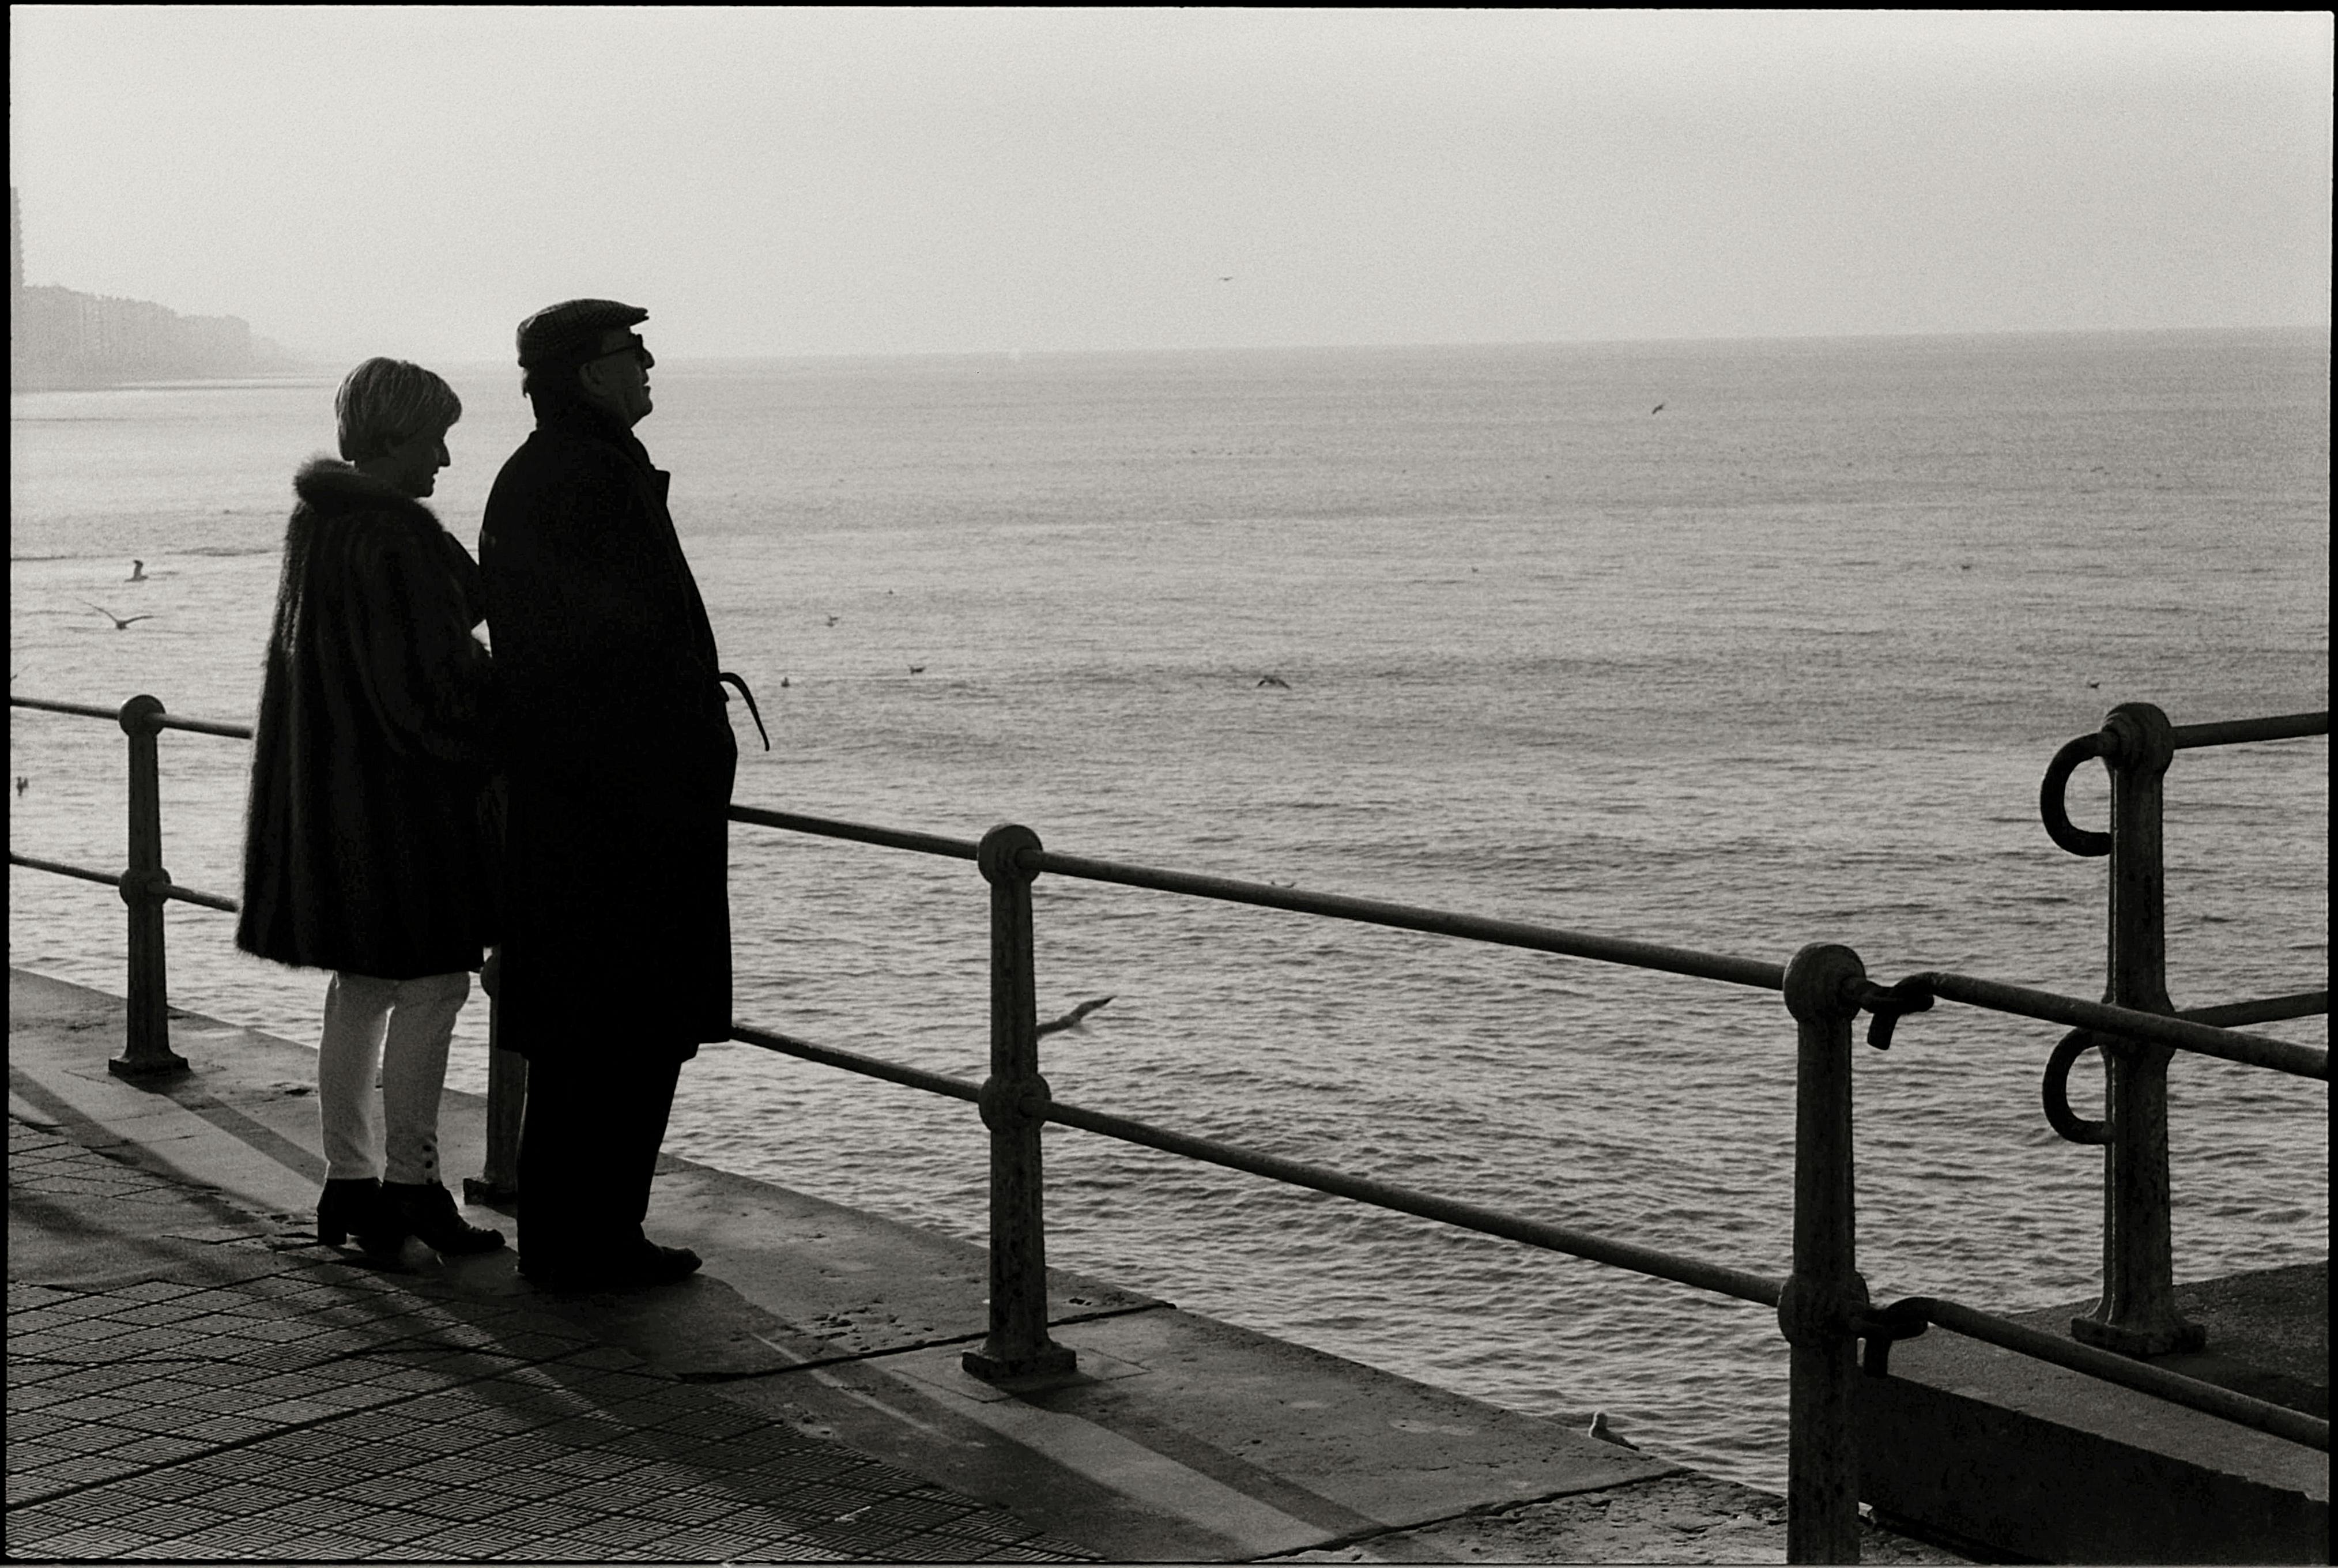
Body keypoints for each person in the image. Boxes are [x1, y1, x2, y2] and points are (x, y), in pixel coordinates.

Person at [480, 299, 755, 1291]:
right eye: (632, 354)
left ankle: (582, 1233)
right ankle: (588, 1238)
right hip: (620, 808)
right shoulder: (584, 476)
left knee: (597, 1034)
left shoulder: (556, 472)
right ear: (592, 375)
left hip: (594, 802)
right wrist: (686, 740)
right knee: (621, 1032)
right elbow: (615, 646)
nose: (648, 367)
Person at [237, 357, 506, 1261]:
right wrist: (505, 704)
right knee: (435, 986)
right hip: (402, 816)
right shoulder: (391, 539)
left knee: (361, 993)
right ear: (393, 437)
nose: (444, 459)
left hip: (334, 807)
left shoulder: (320, 526)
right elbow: (427, 694)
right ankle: (413, 1187)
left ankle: (347, 1182)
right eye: (434, 439)